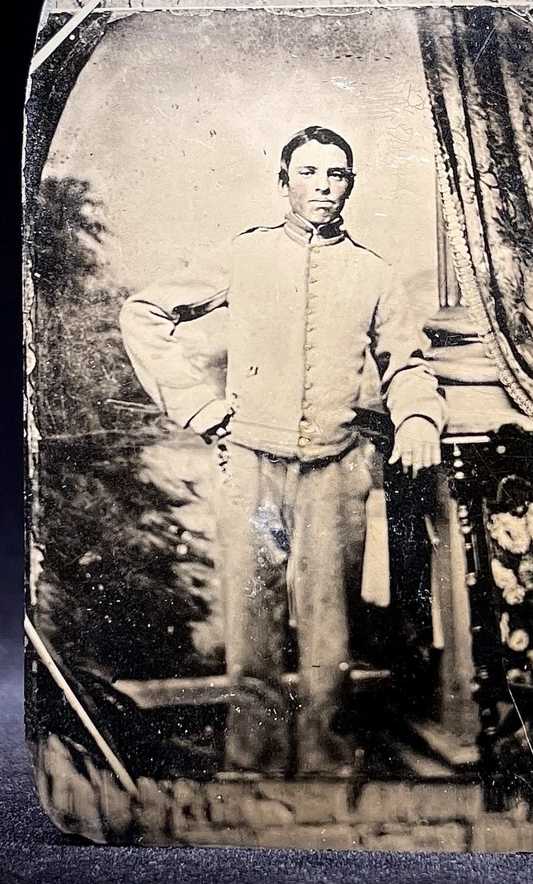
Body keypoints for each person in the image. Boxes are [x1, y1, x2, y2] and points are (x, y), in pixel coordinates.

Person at [119, 126, 445, 776]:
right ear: (284, 181)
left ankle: (326, 768)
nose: (323, 186)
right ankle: (253, 765)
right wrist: (202, 408)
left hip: (332, 476)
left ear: (351, 184)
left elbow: (407, 363)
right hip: (254, 476)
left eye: (337, 174)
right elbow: (143, 313)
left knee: (329, 627)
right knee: (255, 610)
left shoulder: (375, 273)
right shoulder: (245, 257)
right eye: (310, 172)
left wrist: (418, 418)